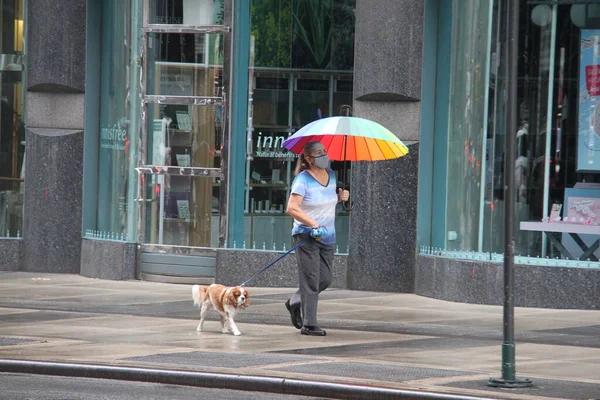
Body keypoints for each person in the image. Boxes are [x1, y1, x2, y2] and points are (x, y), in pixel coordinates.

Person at [284, 141, 350, 336]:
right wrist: (312, 224)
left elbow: (325, 202)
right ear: (308, 158)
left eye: (324, 152)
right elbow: (292, 208)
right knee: (311, 280)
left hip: (328, 236)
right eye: (318, 153)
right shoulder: (302, 180)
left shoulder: (331, 175)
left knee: (325, 279)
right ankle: (309, 324)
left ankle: (295, 300)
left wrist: (340, 197)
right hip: (307, 236)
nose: (323, 155)